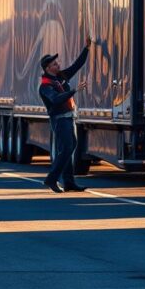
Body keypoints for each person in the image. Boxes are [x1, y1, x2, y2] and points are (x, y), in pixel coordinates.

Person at [39, 35, 91, 193]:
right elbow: (56, 99)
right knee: (66, 149)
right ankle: (51, 179)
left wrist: (87, 48)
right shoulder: (45, 86)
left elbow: (77, 65)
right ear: (48, 68)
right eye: (55, 64)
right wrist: (74, 90)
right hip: (59, 121)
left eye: (57, 63)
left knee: (71, 147)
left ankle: (68, 182)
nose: (58, 65)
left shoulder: (61, 77)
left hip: (69, 118)